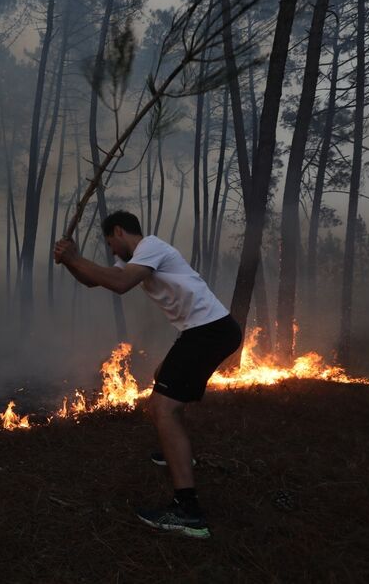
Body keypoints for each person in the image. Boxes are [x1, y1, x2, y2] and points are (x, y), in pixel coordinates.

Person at [54, 210, 242, 539]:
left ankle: (188, 512)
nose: (112, 250)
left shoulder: (151, 246)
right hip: (203, 331)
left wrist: (75, 256)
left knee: (161, 408)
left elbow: (121, 284)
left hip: (209, 331)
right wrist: (70, 261)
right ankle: (175, 451)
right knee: (162, 377)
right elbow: (93, 279)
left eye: (111, 242)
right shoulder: (137, 257)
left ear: (118, 231)